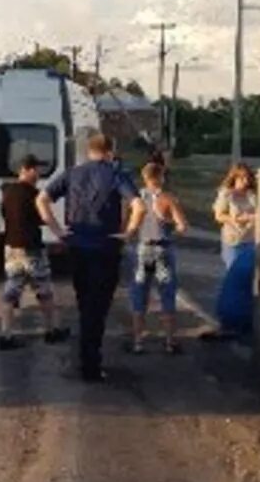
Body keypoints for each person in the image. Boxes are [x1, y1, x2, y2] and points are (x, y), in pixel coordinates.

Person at [38, 132, 138, 382]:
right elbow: (140, 205)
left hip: (78, 245)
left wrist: (58, 231)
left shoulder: (73, 173)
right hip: (106, 246)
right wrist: (128, 233)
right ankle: (91, 362)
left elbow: (42, 199)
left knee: (84, 302)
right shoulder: (116, 174)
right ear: (110, 150)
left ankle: (87, 357)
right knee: (99, 305)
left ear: (88, 150)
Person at [0, 156, 69, 352]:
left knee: (10, 293)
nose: (38, 175)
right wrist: (60, 233)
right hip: (32, 249)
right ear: (26, 170)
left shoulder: (7, 192)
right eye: (36, 170)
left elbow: (5, 214)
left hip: (11, 247)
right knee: (44, 292)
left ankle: (6, 334)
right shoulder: (34, 194)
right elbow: (44, 218)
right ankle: (52, 330)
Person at [123, 161, 189, 355]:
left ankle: (138, 342)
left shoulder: (135, 199)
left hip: (142, 249)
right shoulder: (168, 199)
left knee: (139, 296)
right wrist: (170, 227)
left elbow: (127, 226)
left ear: (144, 178)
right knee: (167, 295)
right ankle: (169, 342)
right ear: (161, 177)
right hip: (163, 249)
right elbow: (183, 226)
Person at [211, 162, 258, 338]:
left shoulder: (252, 195)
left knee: (247, 282)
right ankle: (228, 320)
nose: (245, 182)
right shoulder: (227, 194)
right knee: (233, 279)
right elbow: (218, 215)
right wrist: (235, 219)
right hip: (233, 240)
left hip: (251, 239)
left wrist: (253, 217)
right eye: (242, 178)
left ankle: (244, 320)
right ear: (235, 178)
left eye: (247, 178)